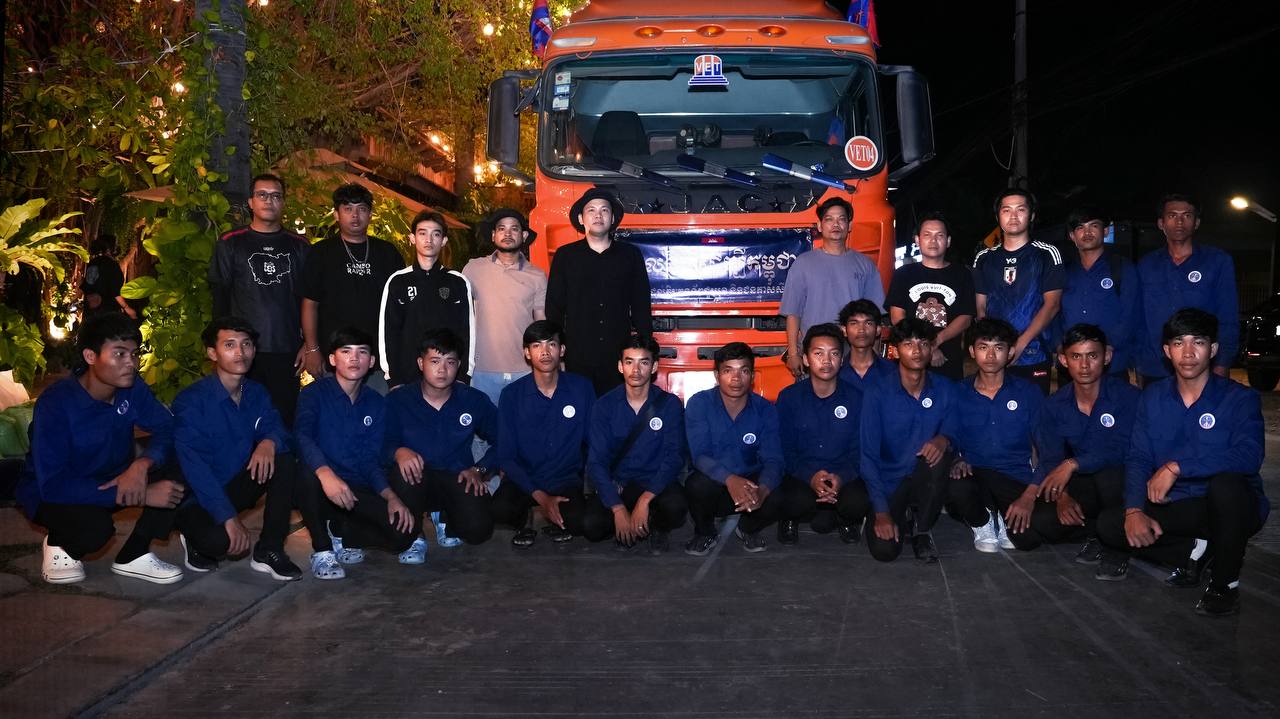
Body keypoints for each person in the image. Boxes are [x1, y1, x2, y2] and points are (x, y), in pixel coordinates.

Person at [1095, 308, 1268, 617]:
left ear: (1213, 349)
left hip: (1231, 505)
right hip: (1180, 504)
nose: (1188, 353)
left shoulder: (1240, 398)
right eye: (1178, 343)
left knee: (1226, 485)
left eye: (1198, 342)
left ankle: (1224, 584)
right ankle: (1196, 551)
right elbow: (1138, 457)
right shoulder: (1152, 398)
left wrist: (1178, 467)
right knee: (1110, 525)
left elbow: (1249, 456)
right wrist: (1134, 511)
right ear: (1167, 351)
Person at [16, 313, 185, 585]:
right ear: (90, 356)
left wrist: (143, 464)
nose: (131, 363)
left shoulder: (131, 388)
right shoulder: (57, 403)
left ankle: (135, 553)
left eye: (134, 354)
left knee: (185, 451)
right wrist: (140, 495)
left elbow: (167, 427)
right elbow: (53, 484)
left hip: (113, 476)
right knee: (94, 531)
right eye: (119, 354)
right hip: (57, 492)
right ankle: (58, 542)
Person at [170, 317, 303, 581]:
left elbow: (277, 428)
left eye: (246, 344)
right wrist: (228, 517)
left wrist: (268, 442)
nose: (240, 352)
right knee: (218, 543)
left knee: (283, 458)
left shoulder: (256, 393)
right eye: (229, 345)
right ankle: (193, 537)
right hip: (198, 494)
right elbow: (196, 470)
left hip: (234, 483)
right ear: (212, 353)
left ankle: (269, 549)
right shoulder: (191, 401)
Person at [293, 327, 421, 579]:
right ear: (332, 359)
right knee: (305, 470)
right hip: (320, 485)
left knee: (402, 536)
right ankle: (322, 548)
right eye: (346, 351)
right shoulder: (314, 394)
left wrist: (390, 496)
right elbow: (301, 437)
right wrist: (325, 473)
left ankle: (342, 530)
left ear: (371, 361)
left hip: (354, 489)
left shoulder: (376, 403)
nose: (354, 358)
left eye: (362, 352)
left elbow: (369, 459)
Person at [209, 174, 311, 426]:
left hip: (286, 348)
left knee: (283, 419)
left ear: (283, 202)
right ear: (251, 202)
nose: (268, 201)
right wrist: (219, 344)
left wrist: (309, 344)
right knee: (241, 419)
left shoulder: (300, 245)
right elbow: (220, 297)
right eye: (262, 195)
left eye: (276, 196)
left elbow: (310, 299)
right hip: (243, 350)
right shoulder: (230, 243)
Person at [1036, 324, 1141, 564]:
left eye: (1092, 356)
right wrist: (1062, 496)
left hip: (1124, 482)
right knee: (1042, 522)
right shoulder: (1054, 405)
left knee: (1109, 476)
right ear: (1063, 360)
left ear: (1107, 356)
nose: (1084, 365)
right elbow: (1051, 458)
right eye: (1076, 357)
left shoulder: (1129, 397)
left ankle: (1117, 546)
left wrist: (1073, 463)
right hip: (1085, 482)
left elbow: (1125, 450)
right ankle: (1097, 533)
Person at [385, 328, 498, 549]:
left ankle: (445, 518)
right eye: (435, 361)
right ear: (421, 363)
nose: (442, 370)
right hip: (414, 479)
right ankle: (415, 532)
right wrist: (397, 452)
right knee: (398, 536)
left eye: (450, 362)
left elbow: (505, 440)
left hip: (456, 476)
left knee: (478, 530)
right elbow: (378, 443)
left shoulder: (473, 400)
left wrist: (480, 469)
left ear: (459, 366)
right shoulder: (398, 400)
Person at [859, 318, 960, 562]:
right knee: (884, 552)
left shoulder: (946, 388)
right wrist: (881, 512)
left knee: (940, 455)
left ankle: (921, 529)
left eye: (923, 343)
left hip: (925, 479)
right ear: (895, 351)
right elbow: (868, 455)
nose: (917, 351)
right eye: (908, 344)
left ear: (931, 349)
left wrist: (944, 439)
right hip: (890, 481)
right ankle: (899, 513)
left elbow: (956, 429)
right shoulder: (877, 392)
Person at [490, 320, 596, 547]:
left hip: (564, 478)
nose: (545, 352)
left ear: (562, 350)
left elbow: (593, 441)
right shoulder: (511, 395)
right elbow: (506, 456)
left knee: (579, 523)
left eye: (552, 344)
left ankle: (555, 520)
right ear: (527, 353)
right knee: (499, 509)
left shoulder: (582, 388)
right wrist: (542, 497)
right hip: (524, 479)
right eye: (537, 345)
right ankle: (525, 520)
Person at [949, 318, 1050, 553]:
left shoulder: (1028, 392)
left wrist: (1032, 491)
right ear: (972, 351)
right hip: (975, 474)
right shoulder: (958, 392)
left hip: (1015, 477)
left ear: (1011, 352)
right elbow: (948, 435)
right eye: (983, 347)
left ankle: (1004, 516)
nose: (991, 355)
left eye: (999, 347)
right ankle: (982, 522)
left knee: (1028, 541)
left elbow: (1046, 445)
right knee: (956, 487)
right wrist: (956, 458)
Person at [584, 334, 688, 554]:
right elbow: (596, 462)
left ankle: (656, 525)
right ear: (620, 366)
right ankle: (623, 524)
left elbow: (675, 457)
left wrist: (645, 500)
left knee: (676, 507)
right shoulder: (604, 406)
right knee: (592, 526)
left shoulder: (669, 404)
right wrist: (617, 508)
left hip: (655, 482)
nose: (636, 370)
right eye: (629, 362)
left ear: (654, 367)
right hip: (619, 483)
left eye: (644, 362)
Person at [545, 188, 652, 396]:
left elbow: (641, 305)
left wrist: (645, 349)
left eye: (604, 210)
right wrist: (557, 353)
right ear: (581, 218)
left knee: (616, 410)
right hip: (577, 355)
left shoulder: (630, 255)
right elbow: (554, 308)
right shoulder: (566, 256)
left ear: (612, 218)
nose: (598, 215)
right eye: (591, 210)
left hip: (618, 356)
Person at [683, 342, 786, 555]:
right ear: (717, 375)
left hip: (750, 487)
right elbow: (700, 456)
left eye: (744, 371)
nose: (736, 379)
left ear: (752, 376)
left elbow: (774, 459)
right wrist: (730, 479)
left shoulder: (765, 409)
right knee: (696, 485)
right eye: (728, 371)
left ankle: (748, 528)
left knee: (780, 491)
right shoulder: (699, 403)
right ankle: (705, 532)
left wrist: (763, 491)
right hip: (715, 485)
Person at [301, 183, 406, 391]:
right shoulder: (320, 253)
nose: (355, 215)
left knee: (377, 409)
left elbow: (401, 307)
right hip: (333, 357)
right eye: (348, 209)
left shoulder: (388, 253)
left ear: (370, 214)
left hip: (378, 360)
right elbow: (309, 304)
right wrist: (312, 349)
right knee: (334, 409)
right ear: (336, 214)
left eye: (362, 209)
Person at [776, 323, 868, 545]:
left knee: (859, 501)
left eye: (834, 354)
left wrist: (841, 476)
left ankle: (844, 518)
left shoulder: (856, 398)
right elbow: (784, 449)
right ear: (806, 359)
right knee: (791, 499)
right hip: (802, 473)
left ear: (841, 360)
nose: (826, 361)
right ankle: (789, 519)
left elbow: (861, 449)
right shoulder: (789, 397)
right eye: (818, 354)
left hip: (842, 473)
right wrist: (810, 476)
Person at [1135, 194, 1239, 385]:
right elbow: (1138, 318)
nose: (1179, 222)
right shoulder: (1146, 265)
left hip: (1202, 364)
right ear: (1161, 223)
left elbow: (1228, 315)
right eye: (1172, 215)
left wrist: (1222, 362)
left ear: (1196, 223)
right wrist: (1140, 362)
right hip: (1155, 366)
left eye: (1187, 215)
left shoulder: (1217, 262)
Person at [973, 188, 1064, 394]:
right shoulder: (984, 257)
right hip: (995, 357)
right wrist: (993, 348)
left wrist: (1020, 345)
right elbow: (980, 308)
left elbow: (1052, 305)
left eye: (1020, 209)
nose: (1013, 216)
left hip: (1034, 354)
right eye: (1006, 210)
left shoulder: (1047, 253)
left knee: (1034, 411)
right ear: (998, 216)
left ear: (1031, 215)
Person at [781, 197, 885, 379]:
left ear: (849, 225)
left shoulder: (865, 265)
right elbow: (793, 313)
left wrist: (874, 356)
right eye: (829, 219)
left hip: (854, 351)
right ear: (820, 226)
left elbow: (874, 316)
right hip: (816, 349)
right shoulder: (803, 264)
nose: (836, 224)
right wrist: (793, 353)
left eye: (841, 219)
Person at [378, 210, 474, 388]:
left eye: (435, 234)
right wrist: (393, 379)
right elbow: (389, 333)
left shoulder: (457, 282)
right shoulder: (398, 281)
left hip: (448, 378)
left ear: (443, 241)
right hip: (406, 379)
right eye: (422, 233)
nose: (429, 240)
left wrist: (463, 377)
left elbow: (467, 332)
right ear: (412, 238)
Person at [462, 207, 547, 404]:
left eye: (514, 229)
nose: (507, 234)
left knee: (524, 422)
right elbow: (460, 314)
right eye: (501, 229)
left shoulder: (537, 275)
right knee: (483, 424)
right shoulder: (473, 269)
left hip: (525, 369)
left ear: (524, 236)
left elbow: (541, 320)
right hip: (481, 369)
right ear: (493, 235)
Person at [885, 212, 976, 380]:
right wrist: (922, 346)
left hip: (948, 359)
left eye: (939, 235)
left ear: (948, 241)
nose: (933, 241)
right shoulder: (903, 274)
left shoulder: (962, 274)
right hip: (910, 358)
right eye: (927, 235)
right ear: (917, 240)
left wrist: (935, 342)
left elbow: (966, 317)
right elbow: (897, 316)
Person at [1059, 206, 1141, 378]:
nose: (1087, 232)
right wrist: (1059, 346)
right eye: (1080, 227)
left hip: (1113, 362)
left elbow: (1130, 314)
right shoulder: (1064, 272)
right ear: (1072, 236)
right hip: (1072, 363)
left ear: (1105, 231)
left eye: (1094, 226)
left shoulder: (1122, 267)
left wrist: (1108, 345)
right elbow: (1054, 313)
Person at [837, 299, 895, 392]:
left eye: (868, 323)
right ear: (844, 330)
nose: (861, 329)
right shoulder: (835, 371)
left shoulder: (893, 371)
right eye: (854, 323)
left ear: (878, 330)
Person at [80, 235, 126, 320]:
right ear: (109, 248)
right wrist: (127, 308)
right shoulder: (112, 265)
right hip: (107, 313)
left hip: (91, 313)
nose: (117, 247)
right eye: (115, 245)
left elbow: (87, 286)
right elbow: (115, 292)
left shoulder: (93, 263)